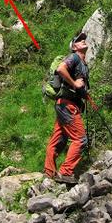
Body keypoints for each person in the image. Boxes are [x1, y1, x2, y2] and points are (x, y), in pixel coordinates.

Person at [44, 31, 90, 184]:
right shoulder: (74, 57)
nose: (83, 41)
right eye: (79, 40)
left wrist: (83, 93)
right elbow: (61, 69)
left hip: (64, 105)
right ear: (74, 47)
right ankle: (65, 172)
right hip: (68, 106)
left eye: (84, 39)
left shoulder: (83, 63)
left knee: (58, 140)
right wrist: (75, 83)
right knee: (80, 139)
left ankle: (49, 173)